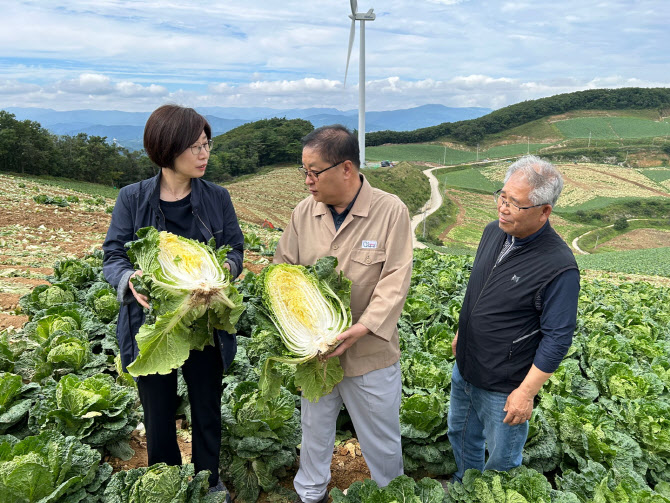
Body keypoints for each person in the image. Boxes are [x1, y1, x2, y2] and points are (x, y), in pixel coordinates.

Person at [102, 104, 244, 496]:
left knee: (207, 410)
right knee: (158, 413)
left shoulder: (217, 197)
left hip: (204, 324)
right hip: (152, 326)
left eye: (207, 144)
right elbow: (113, 256)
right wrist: (129, 279)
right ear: (167, 149)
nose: (204, 154)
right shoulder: (132, 198)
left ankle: (209, 481)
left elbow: (234, 250)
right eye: (195, 146)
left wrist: (222, 275)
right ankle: (166, 482)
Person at [274, 125, 413, 503]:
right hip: (315, 355)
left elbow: (395, 280)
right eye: (303, 171)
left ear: (346, 168)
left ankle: (392, 495)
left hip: (369, 355)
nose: (307, 181)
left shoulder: (390, 211)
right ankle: (310, 493)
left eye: (314, 172)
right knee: (313, 431)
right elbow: (284, 270)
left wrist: (363, 327)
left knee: (381, 439)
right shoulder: (304, 212)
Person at [447, 155, 580, 482]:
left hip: (507, 384)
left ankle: (490, 493)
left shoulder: (559, 266)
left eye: (515, 204)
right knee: (460, 433)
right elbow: (478, 287)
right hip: (466, 363)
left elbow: (558, 337)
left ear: (544, 211)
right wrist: (462, 332)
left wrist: (526, 392)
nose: (503, 208)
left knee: (503, 458)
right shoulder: (493, 232)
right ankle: (466, 485)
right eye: (502, 197)